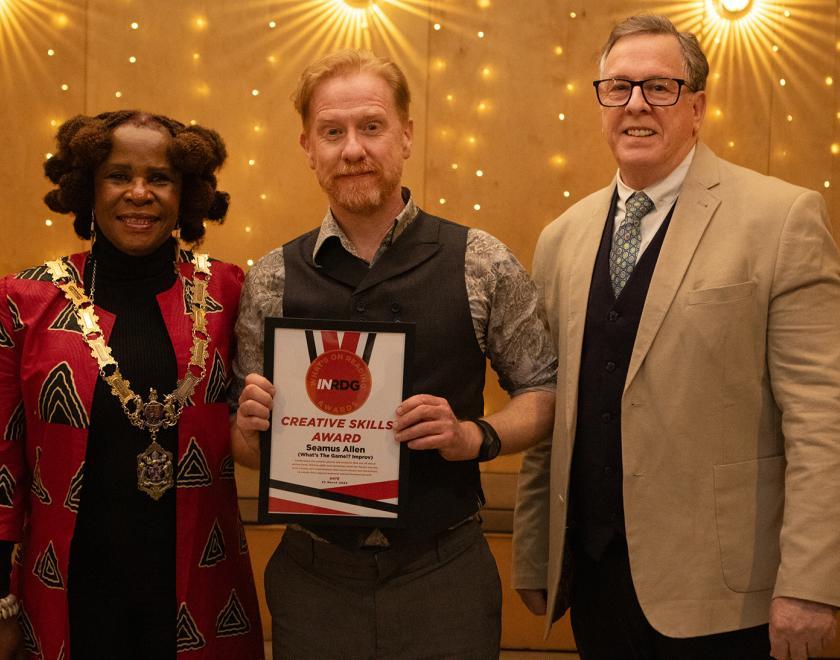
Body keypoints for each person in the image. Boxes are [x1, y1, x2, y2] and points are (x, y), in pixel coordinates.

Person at [512, 14, 840, 660]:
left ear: (697, 106)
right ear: (602, 102)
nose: (636, 104)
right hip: (596, 585)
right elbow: (551, 410)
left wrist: (812, 581)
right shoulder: (561, 238)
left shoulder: (782, 220)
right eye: (619, 87)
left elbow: (823, 418)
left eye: (659, 87)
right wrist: (533, 551)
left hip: (728, 601)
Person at [232, 49, 556, 659]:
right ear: (308, 146)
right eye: (333, 132)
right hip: (313, 579)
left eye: (371, 127)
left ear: (406, 135)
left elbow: (546, 391)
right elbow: (245, 448)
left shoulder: (479, 260)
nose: (352, 148)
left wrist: (474, 435)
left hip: (445, 574)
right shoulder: (272, 277)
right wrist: (249, 427)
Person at [0, 111, 264, 659]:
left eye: (160, 178)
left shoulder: (231, 290)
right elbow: (2, 458)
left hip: (198, 584)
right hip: (71, 588)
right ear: (87, 190)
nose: (139, 193)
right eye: (119, 176)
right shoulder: (23, 300)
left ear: (186, 193)